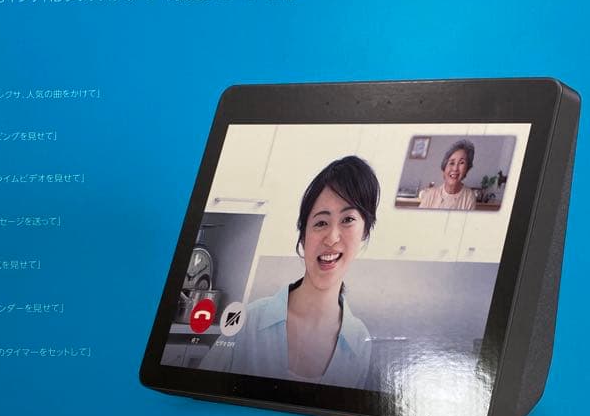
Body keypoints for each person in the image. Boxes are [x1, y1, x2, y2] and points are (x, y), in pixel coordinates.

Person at [200, 155, 379, 388]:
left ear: (365, 231)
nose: (332, 238)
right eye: (321, 223)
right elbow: (201, 393)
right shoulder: (248, 321)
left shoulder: (359, 341)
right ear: (303, 237)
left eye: (348, 219)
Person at [417, 139, 478, 210]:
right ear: (444, 168)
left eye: (461, 163)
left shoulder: (469, 197)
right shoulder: (430, 195)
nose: (455, 169)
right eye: (452, 163)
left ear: (467, 169)